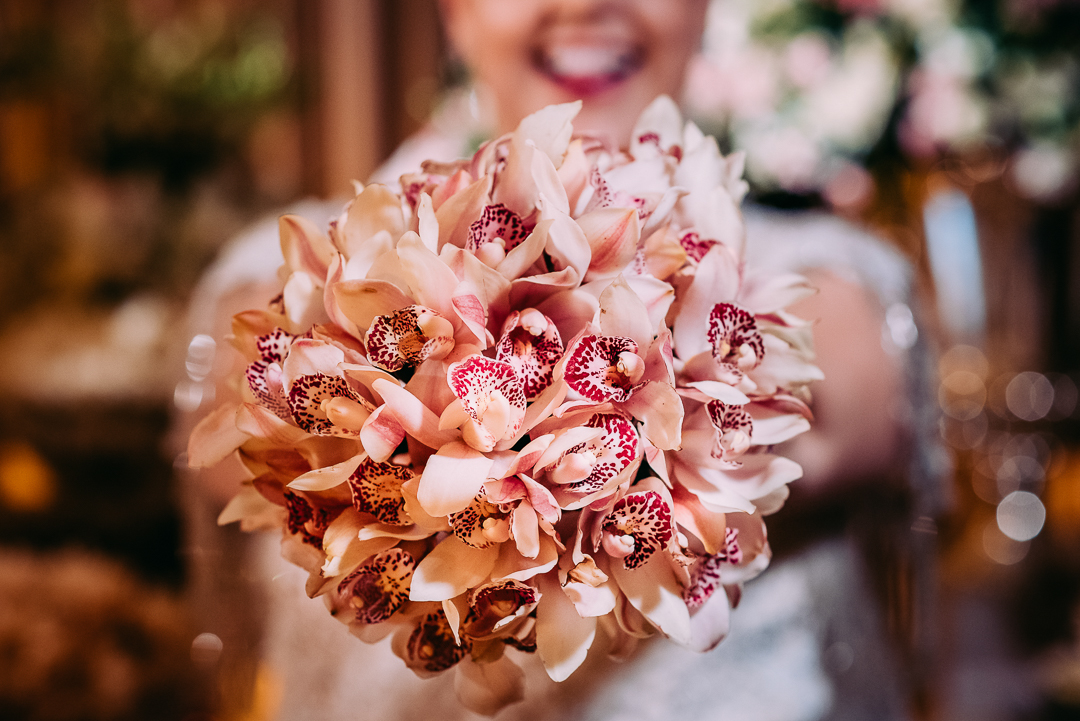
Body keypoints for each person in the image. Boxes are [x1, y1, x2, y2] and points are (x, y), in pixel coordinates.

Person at [178, 1, 942, 718]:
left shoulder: (825, 282)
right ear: (456, 10)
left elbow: (826, 419)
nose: (584, 6)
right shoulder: (303, 276)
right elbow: (255, 435)